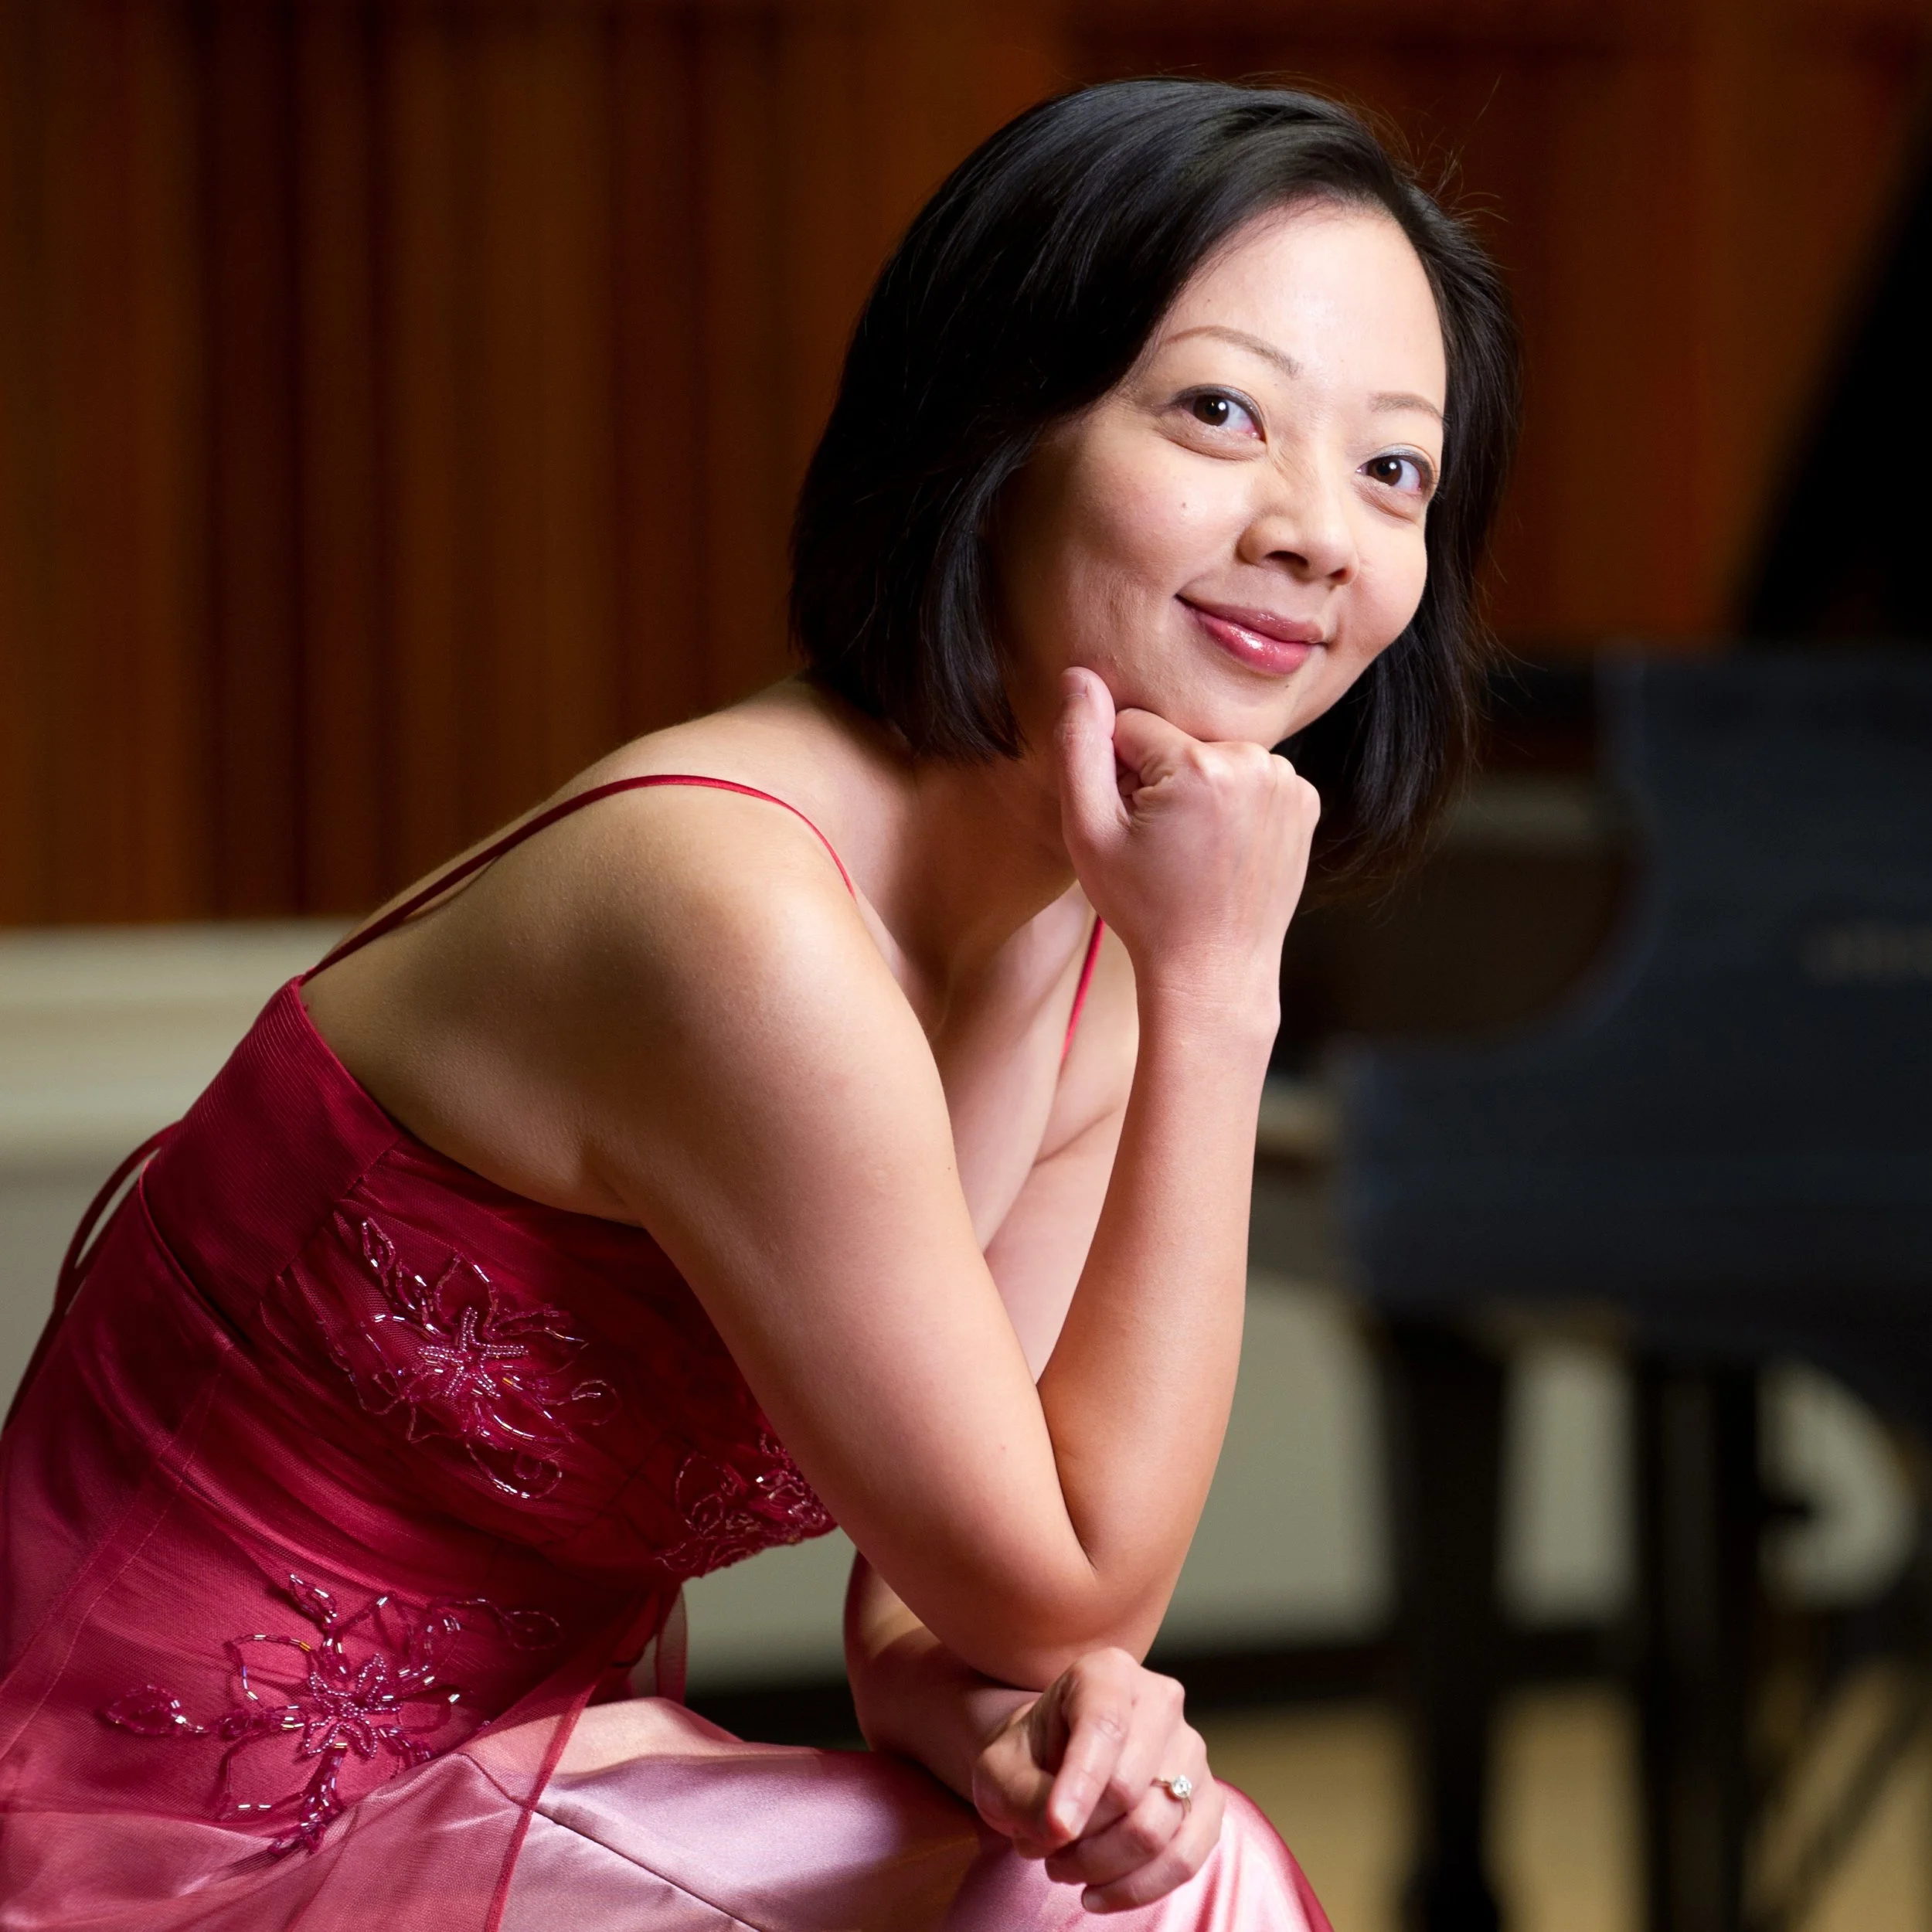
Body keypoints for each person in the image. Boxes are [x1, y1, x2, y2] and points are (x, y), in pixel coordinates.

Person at [0, 77, 1516, 1930]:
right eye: (1216, 410)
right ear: (994, 426)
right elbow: (1058, 1579)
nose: (1313, 529)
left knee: (1128, 1863)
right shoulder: (732, 912)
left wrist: (1041, 1735)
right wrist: (1225, 992)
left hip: (522, 1786)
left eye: (1393, 470)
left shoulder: (1094, 938)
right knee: (1178, 1902)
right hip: (148, 1845)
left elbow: (949, 1610)